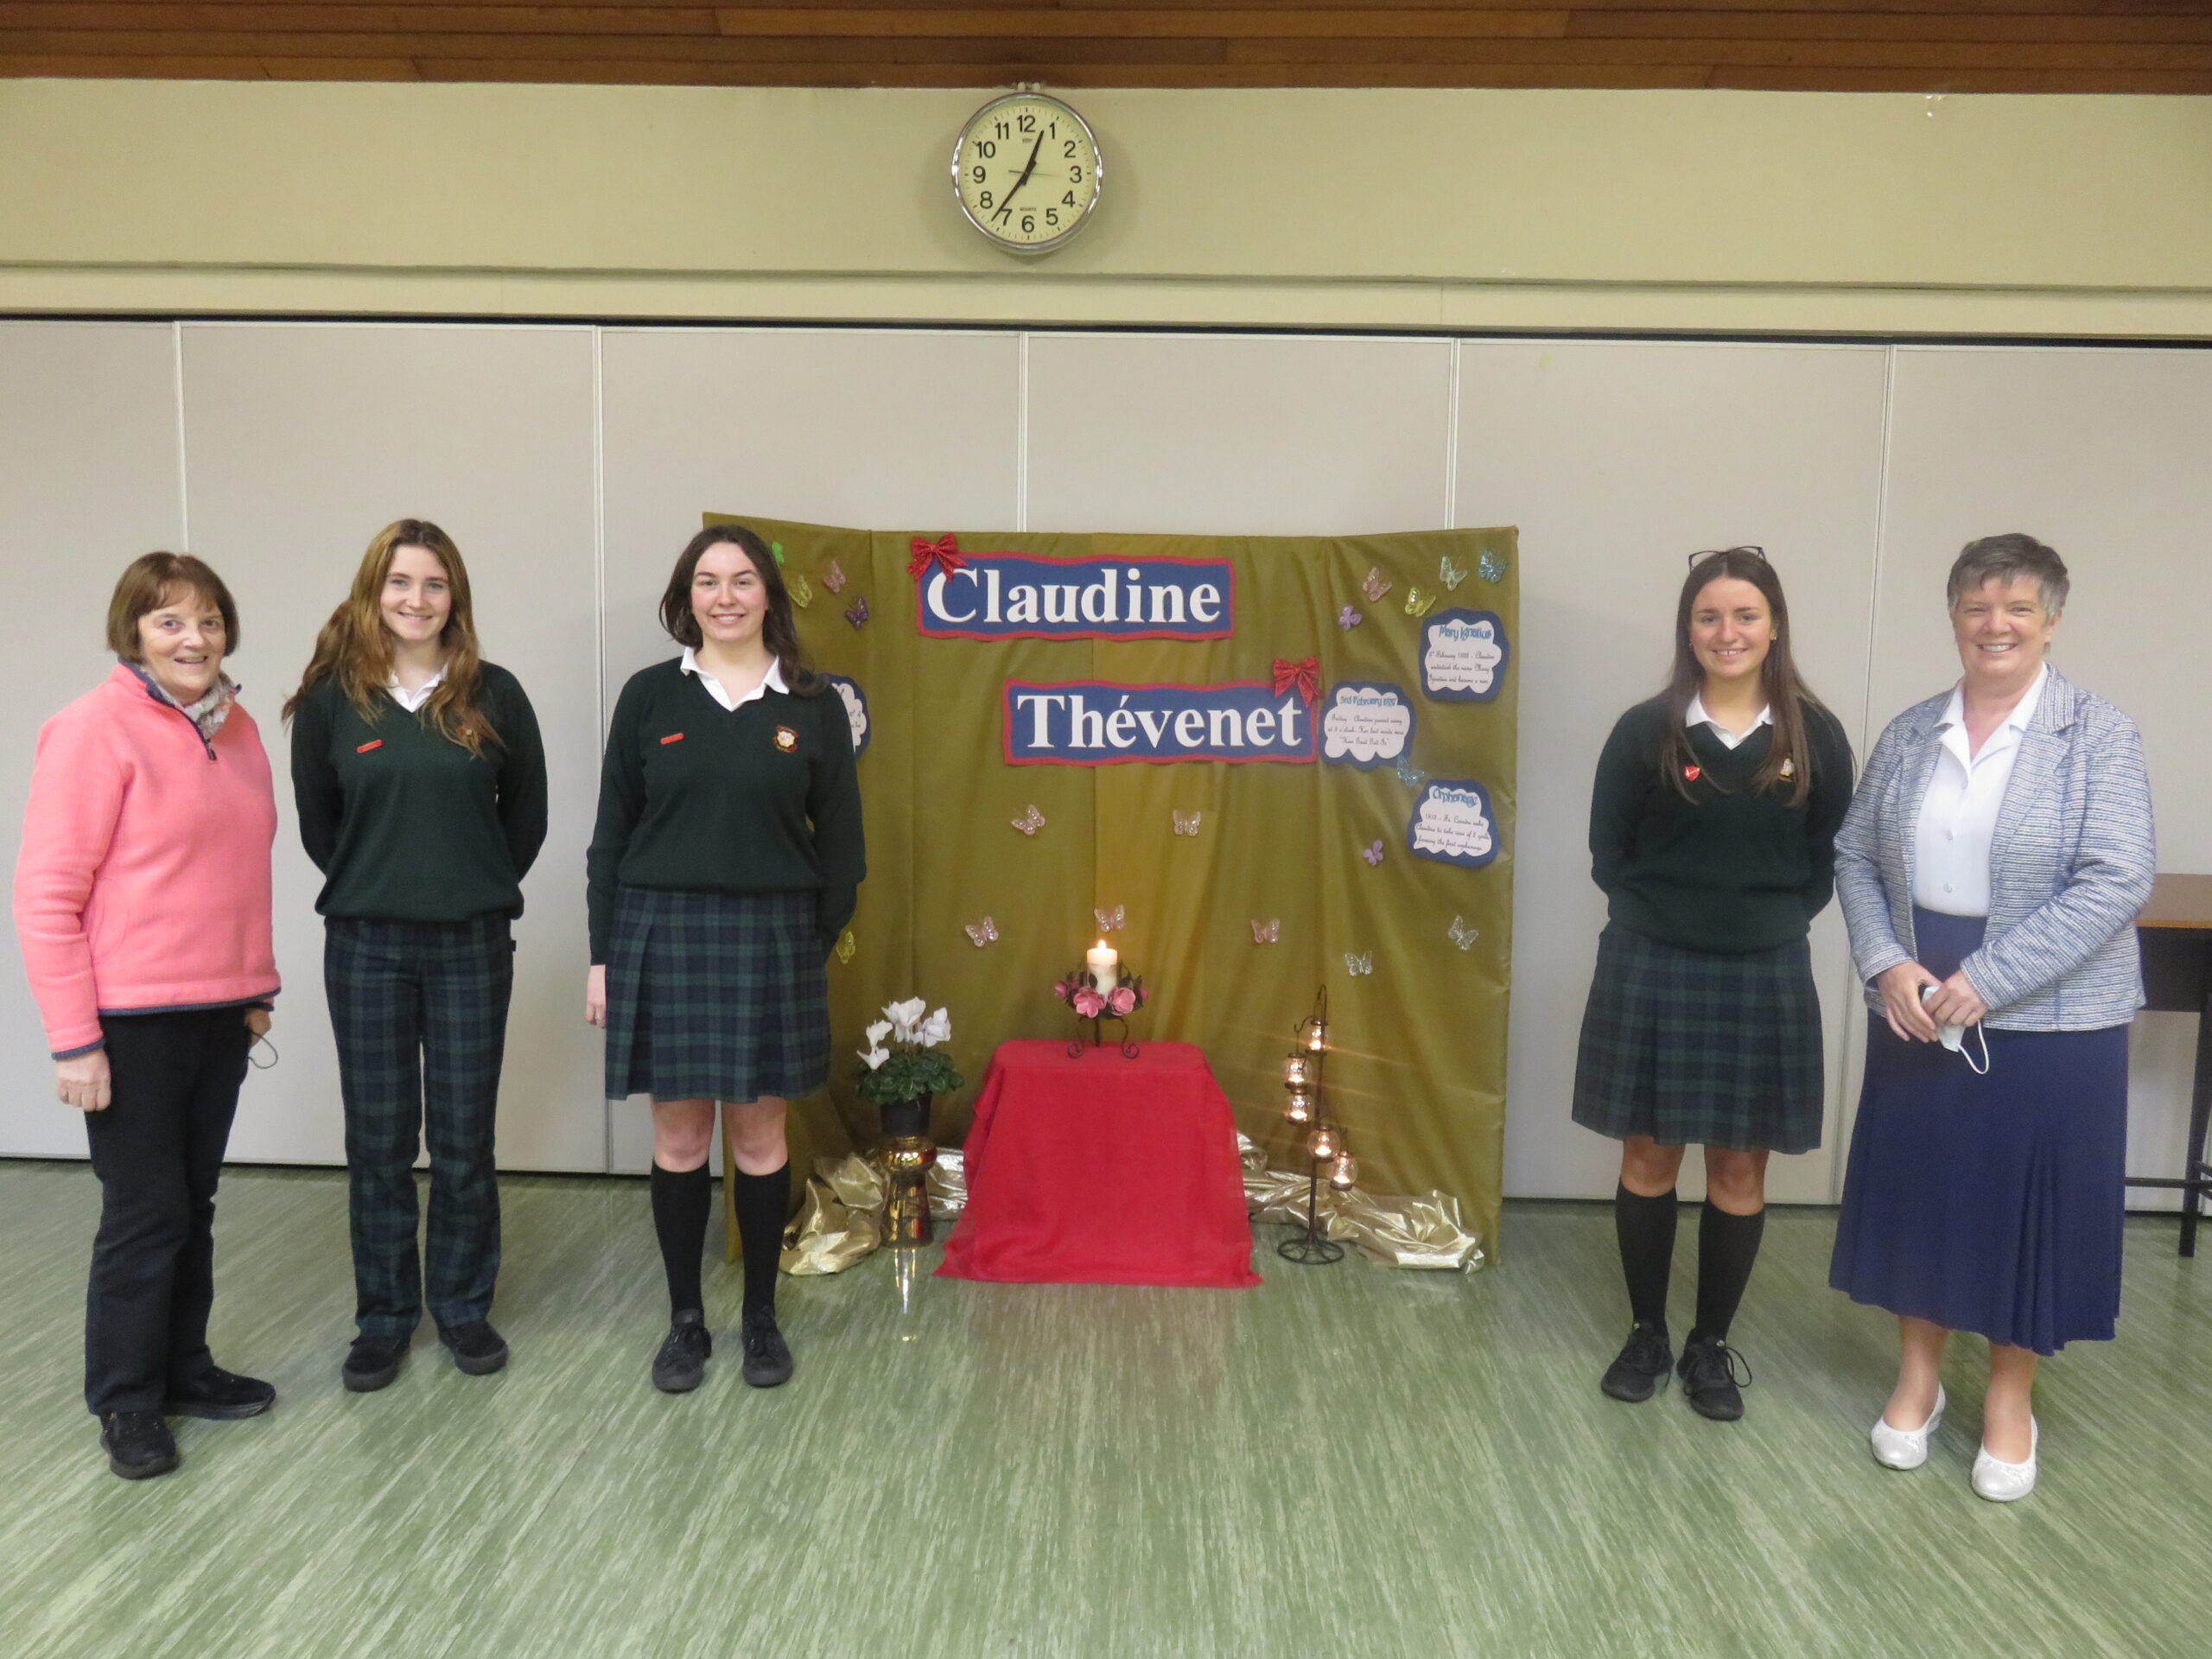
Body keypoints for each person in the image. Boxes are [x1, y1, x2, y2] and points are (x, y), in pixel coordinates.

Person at [1831, 534, 2153, 1502]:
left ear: (2051, 620)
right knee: (1922, 1194)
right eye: (1976, 606)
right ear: (1954, 618)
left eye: (2017, 607)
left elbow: (2117, 877)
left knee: (2026, 1210)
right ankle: (1918, 1380)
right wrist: (1886, 962)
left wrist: (1991, 977)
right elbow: (1854, 856)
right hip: (1919, 996)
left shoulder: (2097, 734)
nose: (1995, 624)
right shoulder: (1910, 732)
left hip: (2053, 1011)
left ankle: (2011, 1398)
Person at [14, 553, 282, 1480]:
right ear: (132, 632)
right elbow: (46, 898)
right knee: (145, 1213)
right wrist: (75, 1041)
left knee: (192, 1205)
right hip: (129, 1022)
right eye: (169, 621)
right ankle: (127, 1400)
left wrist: (255, 990)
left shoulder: (238, 728)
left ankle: (184, 1369)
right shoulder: (90, 730)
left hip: (220, 1013)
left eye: (208, 620)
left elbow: (241, 869)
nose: (193, 639)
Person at [1573, 547, 1853, 1421]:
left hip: (1764, 970)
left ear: (1773, 627)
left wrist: (1757, 924)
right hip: (1650, 963)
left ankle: (1709, 1347)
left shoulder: (1815, 736)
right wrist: (1670, 918)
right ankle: (1647, 1333)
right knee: (1648, 1156)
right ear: (1687, 629)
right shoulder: (1643, 731)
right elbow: (1608, 853)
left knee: (1738, 1166)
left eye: (1744, 615)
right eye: (1708, 616)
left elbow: (1826, 861)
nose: (1726, 632)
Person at [586, 523, 863, 1394]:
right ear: (687, 597)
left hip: (773, 938)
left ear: (768, 596)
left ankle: (760, 1319)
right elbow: (610, 838)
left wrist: (804, 945)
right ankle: (685, 1322)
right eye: (708, 581)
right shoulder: (648, 697)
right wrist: (603, 957)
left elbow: (843, 850)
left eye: (743, 580)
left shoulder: (812, 704)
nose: (726, 597)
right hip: (660, 933)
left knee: (758, 1134)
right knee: (678, 1138)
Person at [287, 520, 547, 1393]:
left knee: (466, 1141)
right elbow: (322, 827)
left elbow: (525, 821)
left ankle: (463, 1308)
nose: (416, 599)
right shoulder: (332, 702)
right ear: (374, 592)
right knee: (379, 1143)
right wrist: (386, 883)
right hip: (366, 946)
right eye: (400, 582)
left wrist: (463, 883)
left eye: (434, 584)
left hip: (472, 942)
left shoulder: (496, 695)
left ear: (455, 597)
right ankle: (385, 1319)